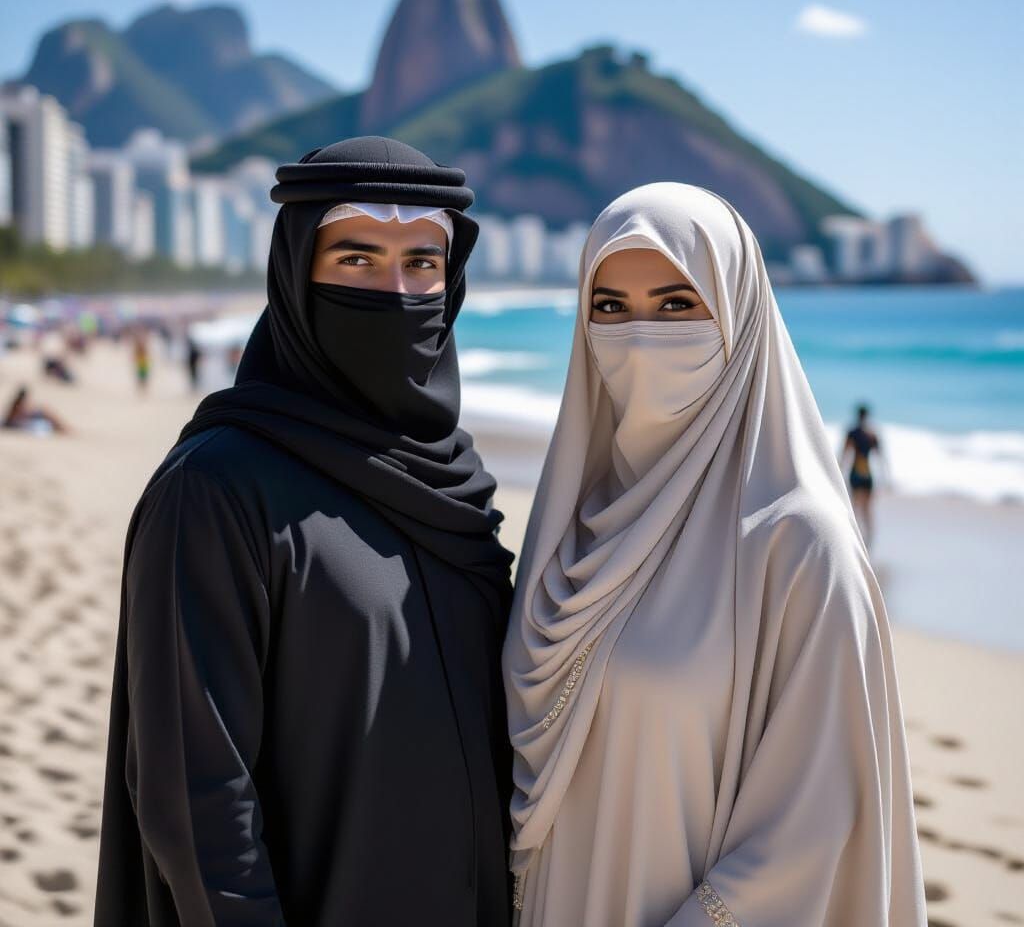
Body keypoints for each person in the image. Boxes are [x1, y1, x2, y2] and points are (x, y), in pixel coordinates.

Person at [94, 136, 516, 927]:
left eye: (421, 264)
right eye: (357, 259)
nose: (396, 290)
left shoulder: (453, 479)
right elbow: (195, 794)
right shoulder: (217, 489)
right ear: (296, 276)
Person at [503, 183, 926, 926]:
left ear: (738, 316)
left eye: (676, 305)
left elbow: (812, 830)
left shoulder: (800, 549)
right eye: (610, 308)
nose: (639, 337)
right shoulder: (576, 523)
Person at [842, 403, 884, 548]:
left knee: (855, 509)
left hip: (855, 473)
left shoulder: (852, 433)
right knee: (866, 510)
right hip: (867, 474)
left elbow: (844, 454)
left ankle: (856, 541)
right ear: (866, 416)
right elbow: (881, 458)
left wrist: (839, 472)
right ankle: (868, 541)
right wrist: (885, 477)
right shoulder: (872, 434)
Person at [2, 385, 67, 434]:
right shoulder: (17, 406)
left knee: (46, 414)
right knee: (47, 416)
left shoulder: (16, 405)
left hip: (23, 423)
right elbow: (14, 419)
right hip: (21, 424)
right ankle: (65, 429)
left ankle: (64, 429)